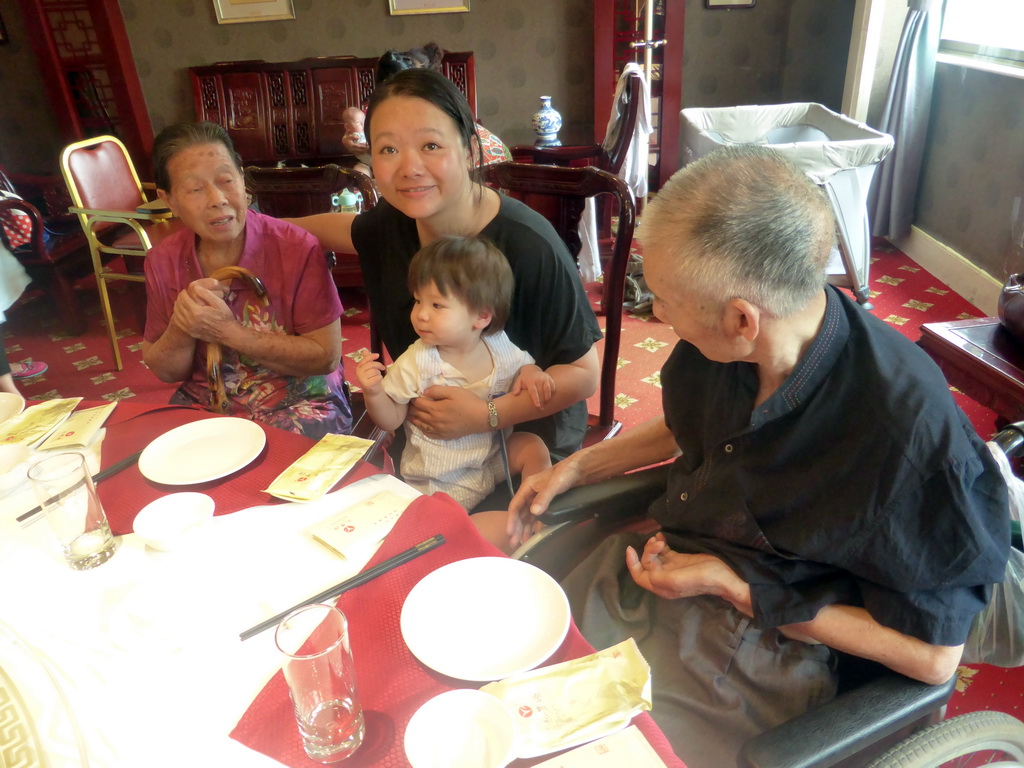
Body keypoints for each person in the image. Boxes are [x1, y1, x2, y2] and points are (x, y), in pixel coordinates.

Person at [508, 145, 1011, 767]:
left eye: (662, 300)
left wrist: (734, 587)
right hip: (668, 567)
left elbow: (934, 658)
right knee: (516, 690)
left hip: (763, 645)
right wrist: (581, 464)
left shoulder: (902, 440)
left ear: (743, 318)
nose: (654, 311)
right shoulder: (732, 339)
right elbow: (690, 423)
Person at [292, 68, 601, 466]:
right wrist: (254, 227)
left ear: (471, 149)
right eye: (388, 150)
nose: (409, 167)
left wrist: (486, 415)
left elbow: (582, 373)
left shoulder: (528, 244)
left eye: (431, 145)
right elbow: (345, 229)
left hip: (525, 444)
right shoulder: (393, 223)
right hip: (432, 444)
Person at [142, 121, 352, 439]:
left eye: (226, 180)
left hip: (298, 401)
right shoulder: (163, 260)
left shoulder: (295, 247)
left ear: (243, 180)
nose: (217, 198)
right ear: (168, 199)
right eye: (195, 189)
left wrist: (229, 333)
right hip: (207, 404)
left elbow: (325, 357)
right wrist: (181, 326)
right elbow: (166, 370)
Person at [356, 235, 553, 522]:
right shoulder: (418, 361)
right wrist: (374, 392)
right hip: (442, 480)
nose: (420, 314)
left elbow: (523, 365)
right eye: (418, 301)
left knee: (532, 444)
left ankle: (537, 507)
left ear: (481, 316)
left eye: (437, 305)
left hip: (491, 459)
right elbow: (391, 419)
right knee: (444, 528)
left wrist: (532, 372)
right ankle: (481, 529)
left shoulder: (498, 344)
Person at [340, 106, 371, 174]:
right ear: (347, 127)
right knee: (359, 172)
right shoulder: (357, 135)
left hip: (384, 158)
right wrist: (345, 140)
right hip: (366, 162)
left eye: (364, 121)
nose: (363, 124)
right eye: (358, 122)